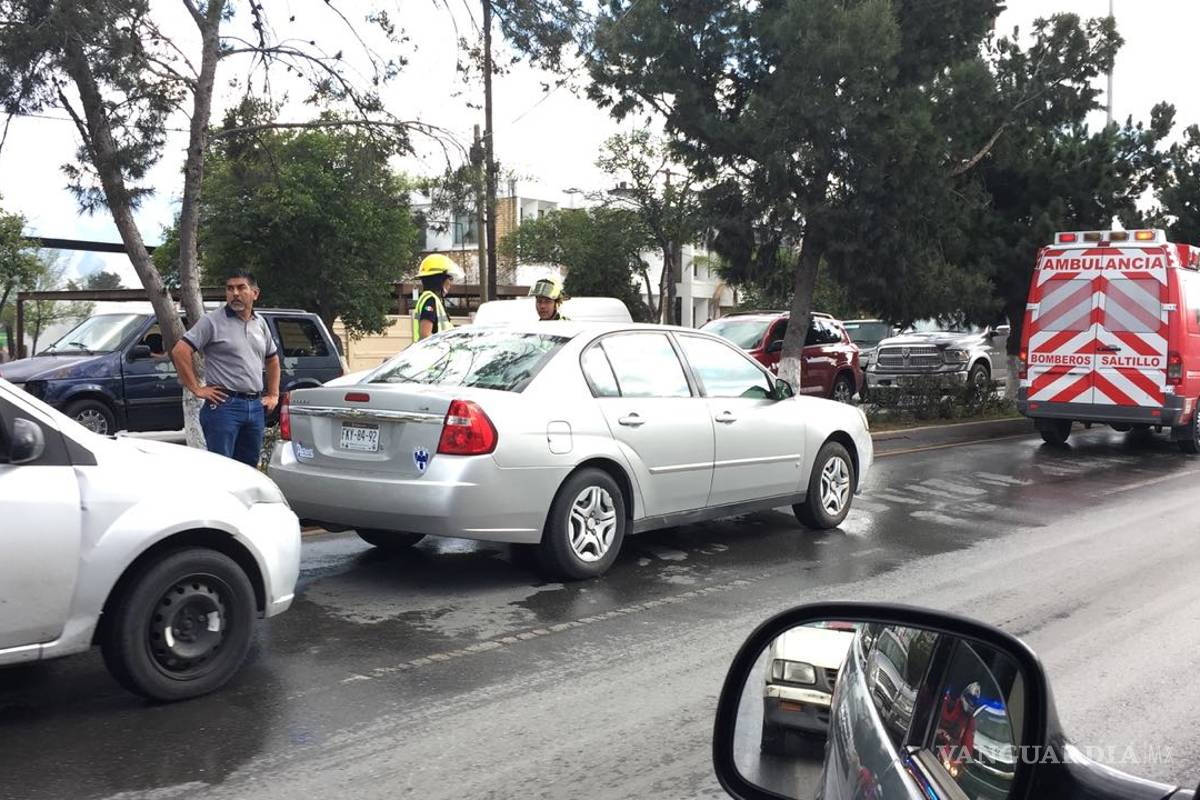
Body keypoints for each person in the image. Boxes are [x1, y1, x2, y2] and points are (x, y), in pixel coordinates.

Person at [171, 270, 281, 467]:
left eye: (241, 288)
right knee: (222, 469)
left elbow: (272, 360)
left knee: (249, 469)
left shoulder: (260, 323)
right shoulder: (212, 321)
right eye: (230, 289)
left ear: (255, 293)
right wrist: (196, 388)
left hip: (255, 407)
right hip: (224, 406)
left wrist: (273, 394)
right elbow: (180, 351)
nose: (235, 293)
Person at [412, 254, 462, 342]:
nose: (451, 283)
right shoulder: (430, 300)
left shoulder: (430, 299)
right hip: (432, 354)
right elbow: (425, 334)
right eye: (450, 279)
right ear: (439, 280)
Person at [935, 681, 981, 766]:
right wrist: (939, 731)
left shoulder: (970, 720)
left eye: (973, 700)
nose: (970, 702)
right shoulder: (946, 702)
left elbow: (968, 742)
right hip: (931, 739)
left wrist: (964, 757)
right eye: (969, 698)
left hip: (949, 753)